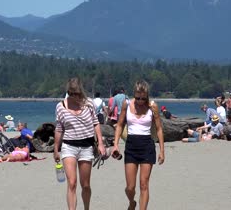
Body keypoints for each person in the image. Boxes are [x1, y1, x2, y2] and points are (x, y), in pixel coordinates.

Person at [53, 77, 106, 210]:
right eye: (70, 93)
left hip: (86, 147)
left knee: (85, 184)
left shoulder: (89, 103)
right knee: (72, 183)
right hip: (68, 146)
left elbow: (96, 123)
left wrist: (100, 143)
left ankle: (86, 207)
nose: (73, 96)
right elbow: (59, 129)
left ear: (80, 92)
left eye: (76, 94)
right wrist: (55, 148)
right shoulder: (61, 106)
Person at [112, 80, 165, 210]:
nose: (140, 101)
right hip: (131, 146)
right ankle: (132, 202)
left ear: (147, 95)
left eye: (143, 98)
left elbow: (159, 129)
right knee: (130, 187)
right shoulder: (127, 104)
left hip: (147, 146)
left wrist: (162, 151)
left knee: (144, 185)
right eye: (137, 97)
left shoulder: (153, 106)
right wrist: (116, 145)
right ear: (134, 95)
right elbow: (119, 125)